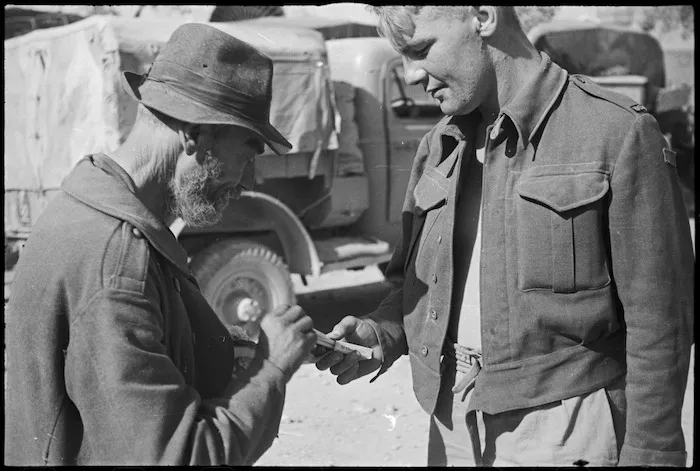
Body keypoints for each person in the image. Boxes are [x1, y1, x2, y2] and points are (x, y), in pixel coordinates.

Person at [316, 6, 694, 467]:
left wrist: (653, 454)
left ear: (482, 16)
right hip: (452, 419)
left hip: (564, 427)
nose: (412, 74)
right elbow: (411, 285)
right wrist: (382, 332)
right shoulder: (439, 145)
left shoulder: (616, 133)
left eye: (420, 50)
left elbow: (661, 324)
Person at [4, 23, 317, 466]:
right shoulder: (114, 265)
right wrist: (272, 368)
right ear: (195, 134)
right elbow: (182, 456)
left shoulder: (93, 205)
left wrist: (209, 347)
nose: (247, 180)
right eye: (246, 154)